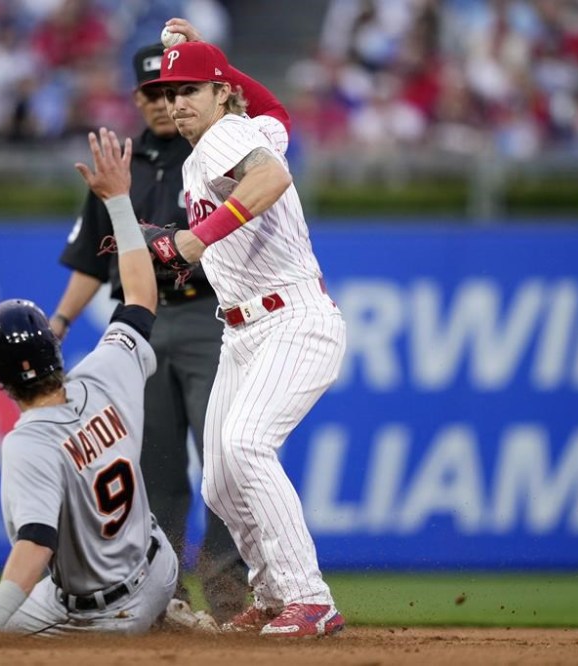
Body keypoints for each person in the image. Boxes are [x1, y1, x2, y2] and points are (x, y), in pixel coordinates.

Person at [142, 20, 348, 638]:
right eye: (169, 92)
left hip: (290, 321)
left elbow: (272, 178)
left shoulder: (229, 134)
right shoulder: (251, 128)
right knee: (220, 480)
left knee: (245, 446)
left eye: (191, 90)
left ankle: (311, 599)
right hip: (242, 332)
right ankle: (273, 592)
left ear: (221, 95)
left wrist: (193, 238)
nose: (176, 102)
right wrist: (216, 60)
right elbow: (277, 111)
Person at [50, 42, 246, 623]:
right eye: (155, 92)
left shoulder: (219, 152)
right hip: (139, 322)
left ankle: (230, 591)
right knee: (154, 466)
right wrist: (60, 321)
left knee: (225, 462)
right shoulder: (120, 168)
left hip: (208, 314)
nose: (166, 101)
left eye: (177, 90)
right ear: (139, 98)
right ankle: (166, 592)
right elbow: (90, 258)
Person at [0, 128, 178, 636]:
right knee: (10, 600)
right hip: (160, 569)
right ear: (53, 347)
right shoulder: (105, 371)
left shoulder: (29, 443)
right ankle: (169, 615)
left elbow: (36, 544)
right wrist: (121, 203)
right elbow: (141, 297)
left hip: (106, 616)